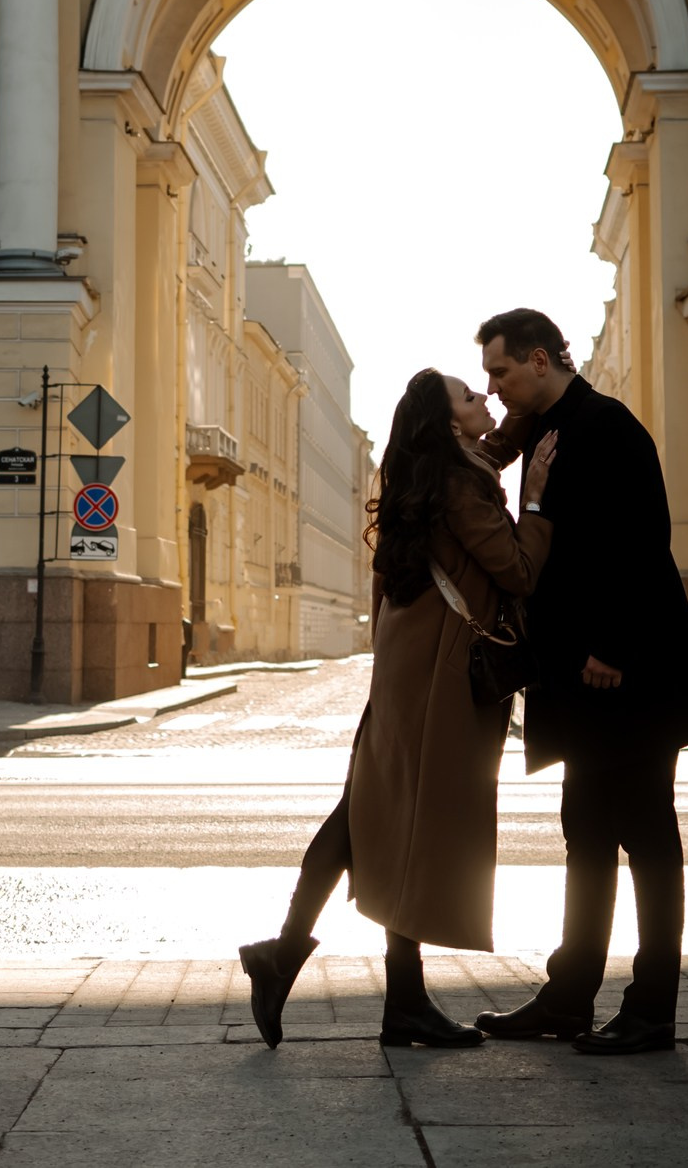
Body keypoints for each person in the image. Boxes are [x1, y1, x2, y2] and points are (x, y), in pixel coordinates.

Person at [239, 368, 556, 1050]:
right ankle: (367, 987)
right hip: (439, 670)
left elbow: (487, 449)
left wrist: (529, 406)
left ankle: (334, 974)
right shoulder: (461, 484)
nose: (487, 401)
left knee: (370, 813)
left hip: (404, 658)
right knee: (399, 820)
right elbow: (517, 571)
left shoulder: (424, 472)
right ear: (447, 423)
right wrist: (533, 504)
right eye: (472, 396)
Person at [473, 308, 688, 1056]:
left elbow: (640, 543)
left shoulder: (606, 427)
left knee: (647, 838)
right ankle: (570, 997)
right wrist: (505, 435)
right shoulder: (551, 430)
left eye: (501, 372)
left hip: (628, 675)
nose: (494, 386)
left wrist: (611, 645)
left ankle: (652, 1010)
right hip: (583, 679)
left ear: (540, 359)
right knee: (586, 834)